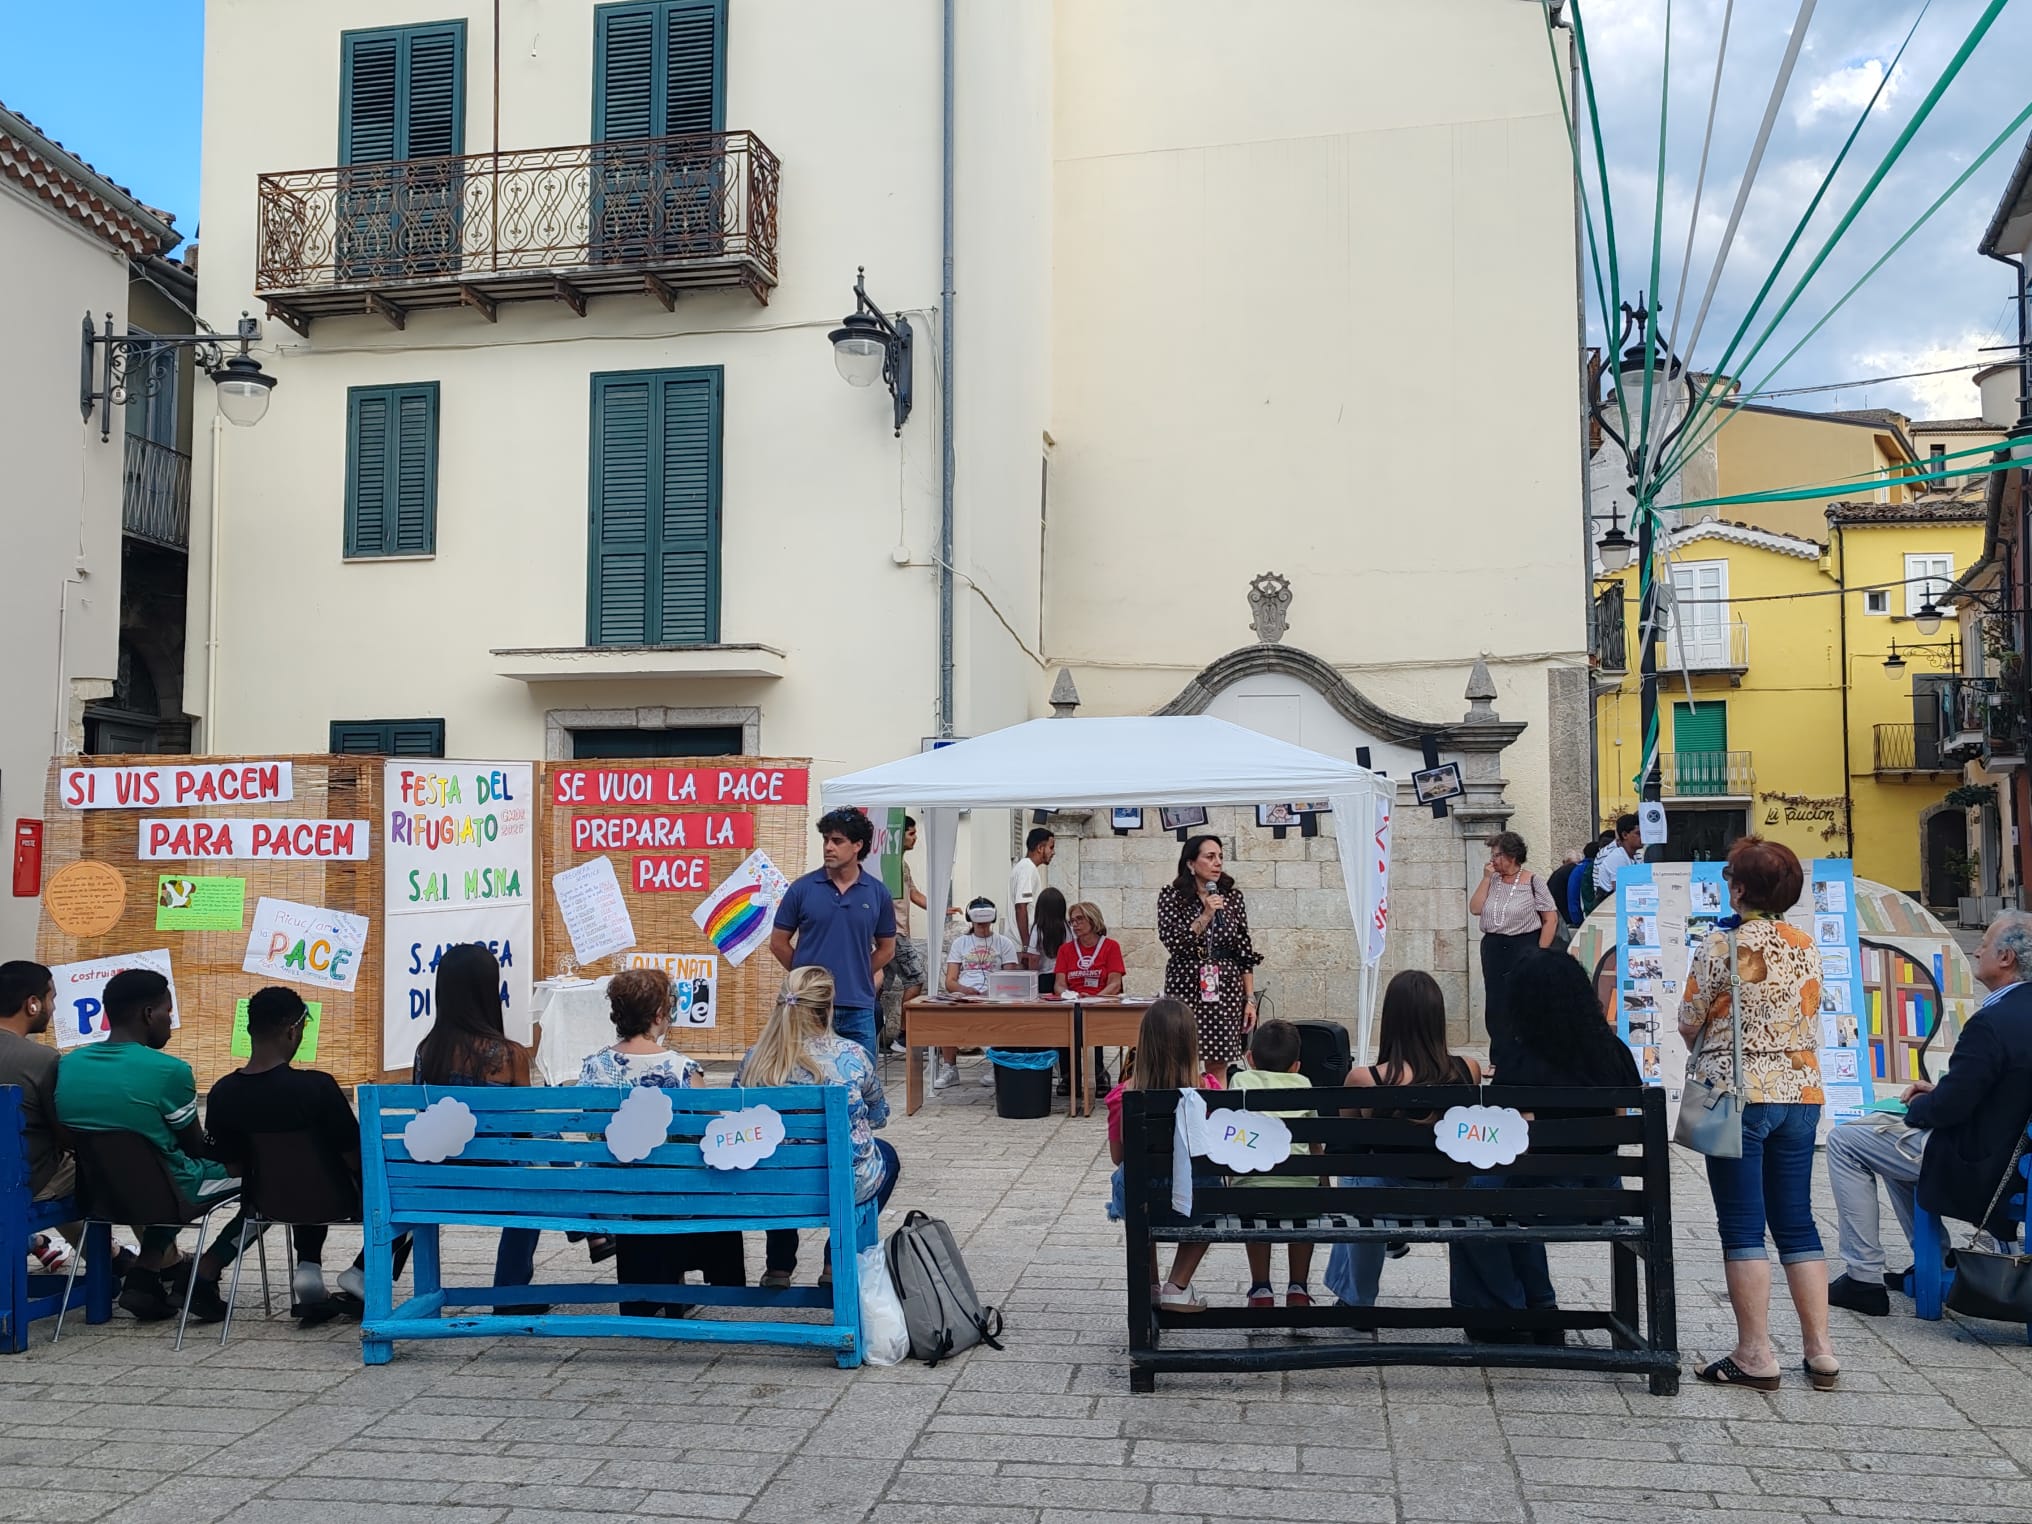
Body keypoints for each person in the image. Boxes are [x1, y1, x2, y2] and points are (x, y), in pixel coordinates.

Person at [1677, 835, 1838, 1390]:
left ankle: (1755, 1354)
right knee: (1796, 1220)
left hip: (1739, 1096)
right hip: (1802, 1093)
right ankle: (1820, 1350)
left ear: (1740, 889)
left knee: (1743, 1225)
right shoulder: (1806, 944)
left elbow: (1689, 1021)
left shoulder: (1720, 945)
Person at [1824, 910, 2032, 1317]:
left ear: (2006, 958)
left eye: (1983, 945)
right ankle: (1933, 1260)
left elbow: (1949, 1110)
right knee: (1892, 1144)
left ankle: (1863, 1277)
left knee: (1849, 1141)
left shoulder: (1993, 1022)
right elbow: (2003, 1088)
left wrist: (1921, 1105)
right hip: (2017, 1157)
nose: (1976, 953)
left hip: (1981, 1162)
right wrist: (1942, 1093)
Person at [1448, 951, 1639, 1339]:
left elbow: (1508, 1137)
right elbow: (1620, 1124)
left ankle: (1506, 1312)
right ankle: (1541, 1308)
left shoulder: (1520, 1059)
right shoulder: (1613, 1050)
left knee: (1476, 1199)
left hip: (1541, 1197)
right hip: (1605, 1196)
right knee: (1505, 1199)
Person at [53, 968, 250, 1323]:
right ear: (148, 1013)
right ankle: (205, 1273)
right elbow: (195, 1148)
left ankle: (144, 1276)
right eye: (167, 1012)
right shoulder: (169, 1071)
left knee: (159, 1177)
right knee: (266, 1184)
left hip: (99, 1194)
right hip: (168, 1192)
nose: (170, 1021)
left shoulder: (70, 1065)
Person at [205, 985, 392, 1320]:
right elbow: (355, 1157)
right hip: (338, 1200)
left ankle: (309, 1269)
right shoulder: (318, 1087)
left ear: (250, 1029)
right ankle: (362, 1272)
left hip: (268, 1203)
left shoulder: (222, 1093)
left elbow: (234, 1168)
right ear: (292, 1031)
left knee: (295, 1178)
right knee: (403, 1192)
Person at [579, 968, 740, 1316]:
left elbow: (592, 1132)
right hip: (675, 1191)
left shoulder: (594, 1067)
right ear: (658, 1015)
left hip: (614, 1191)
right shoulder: (681, 1069)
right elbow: (710, 1128)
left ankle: (646, 1295)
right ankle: (687, 1280)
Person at [1326, 970, 1481, 1310]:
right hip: (1451, 1197)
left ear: (1391, 1020)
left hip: (1386, 1199)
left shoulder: (1364, 1079)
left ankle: (1356, 1300)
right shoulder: (1469, 1069)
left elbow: (1345, 1150)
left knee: (1355, 1176)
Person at [737, 967, 899, 1290]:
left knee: (776, 1156)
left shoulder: (755, 1059)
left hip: (772, 1186)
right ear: (828, 1009)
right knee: (887, 1155)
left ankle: (779, 1264)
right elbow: (879, 1115)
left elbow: (738, 1118)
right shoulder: (852, 1056)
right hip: (839, 1183)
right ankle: (833, 1260)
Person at [412, 944, 545, 1312]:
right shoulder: (509, 1054)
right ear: (489, 992)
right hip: (497, 1177)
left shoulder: (427, 1051)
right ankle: (510, 1292)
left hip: (438, 1177)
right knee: (538, 1159)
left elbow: (423, 1118)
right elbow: (525, 1127)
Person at [1103, 998, 1223, 1311]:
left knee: (1132, 1181)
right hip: (1197, 1203)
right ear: (1191, 1045)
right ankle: (1177, 1285)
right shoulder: (1210, 1092)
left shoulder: (1123, 1096)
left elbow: (1118, 1156)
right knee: (1215, 1195)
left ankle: (1150, 1284)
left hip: (1143, 1201)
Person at [770, 808, 897, 1064]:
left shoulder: (878, 893)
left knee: (862, 1078)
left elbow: (887, 949)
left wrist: (858, 972)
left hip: (858, 1008)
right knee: (805, 1078)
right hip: (808, 1006)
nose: (829, 847)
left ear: (857, 845)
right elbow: (778, 943)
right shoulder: (801, 889)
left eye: (837, 841)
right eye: (826, 840)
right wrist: (807, 979)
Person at [1230, 1019, 1317, 1309]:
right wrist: (1324, 1186)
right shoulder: (1303, 1084)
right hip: (1301, 1196)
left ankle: (1261, 1289)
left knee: (1255, 1187)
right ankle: (1298, 1288)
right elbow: (1315, 1144)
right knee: (1303, 1202)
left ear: (1250, 1058)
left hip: (1249, 1195)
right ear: (1296, 1066)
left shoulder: (1239, 1082)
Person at [1157, 834, 1262, 1067]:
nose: (1218, 863)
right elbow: (1174, 943)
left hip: (1225, 986)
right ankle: (1188, 1093)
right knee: (1181, 1059)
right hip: (1185, 983)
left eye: (1220, 857)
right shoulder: (1172, 896)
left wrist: (1249, 999)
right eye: (1210, 857)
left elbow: (1244, 952)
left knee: (1219, 1059)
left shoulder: (1232, 897)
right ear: (1191, 863)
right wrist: (1205, 915)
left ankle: (1217, 1093)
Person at [0, 961, 79, 1268]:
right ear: (32, 1004)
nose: (53, 1008)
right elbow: (65, 1133)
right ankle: (155, 1263)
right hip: (20, 1185)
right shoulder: (43, 1060)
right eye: (51, 998)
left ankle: (114, 1256)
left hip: (15, 1179)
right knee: (104, 1164)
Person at [1467, 832, 1557, 1061]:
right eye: (1492, 855)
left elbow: (1550, 919)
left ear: (1512, 856)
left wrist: (1540, 952)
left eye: (1497, 855)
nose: (1493, 860)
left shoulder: (1533, 881)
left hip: (1523, 944)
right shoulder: (1493, 881)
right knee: (1496, 1001)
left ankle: (1526, 1055)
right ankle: (1498, 1057)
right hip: (1494, 946)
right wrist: (1486, 879)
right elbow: (1475, 908)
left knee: (1523, 999)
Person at [938, 898, 1022, 1090]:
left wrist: (993, 991)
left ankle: (997, 1065)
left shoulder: (1004, 943)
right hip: (965, 995)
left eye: (986, 922)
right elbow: (950, 982)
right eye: (979, 923)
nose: (983, 926)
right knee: (944, 1016)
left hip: (995, 997)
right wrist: (965, 990)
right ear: (971, 920)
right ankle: (949, 1068)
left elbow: (1010, 978)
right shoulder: (960, 943)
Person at [1055, 900, 1125, 1096]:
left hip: (1100, 1001)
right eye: (1072, 921)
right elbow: (1059, 984)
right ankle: (1069, 1074)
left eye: (1080, 919)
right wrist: (1068, 995)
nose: (1075, 925)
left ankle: (1098, 1072)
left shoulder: (1111, 946)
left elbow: (1115, 983)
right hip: (1074, 1001)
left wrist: (1094, 999)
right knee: (1068, 1017)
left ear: (1093, 920)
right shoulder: (1065, 950)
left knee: (1089, 1015)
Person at [881, 815, 934, 1052]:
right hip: (893, 934)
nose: (915, 838)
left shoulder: (902, 865)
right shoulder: (886, 865)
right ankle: (903, 1036)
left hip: (894, 934)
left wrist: (939, 907)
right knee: (915, 979)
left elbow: (914, 893)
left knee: (879, 985)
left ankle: (872, 1037)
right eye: (911, 833)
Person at [1010, 826, 1055, 947]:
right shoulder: (1027, 868)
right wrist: (1026, 945)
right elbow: (1021, 906)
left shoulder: (1025, 867)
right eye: (1051, 847)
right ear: (1040, 848)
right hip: (1021, 945)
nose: (1053, 852)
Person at [1593, 815, 1641, 897]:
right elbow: (1620, 894)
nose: (1643, 837)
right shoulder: (1617, 856)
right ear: (1625, 835)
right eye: (1638, 833)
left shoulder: (1635, 855)